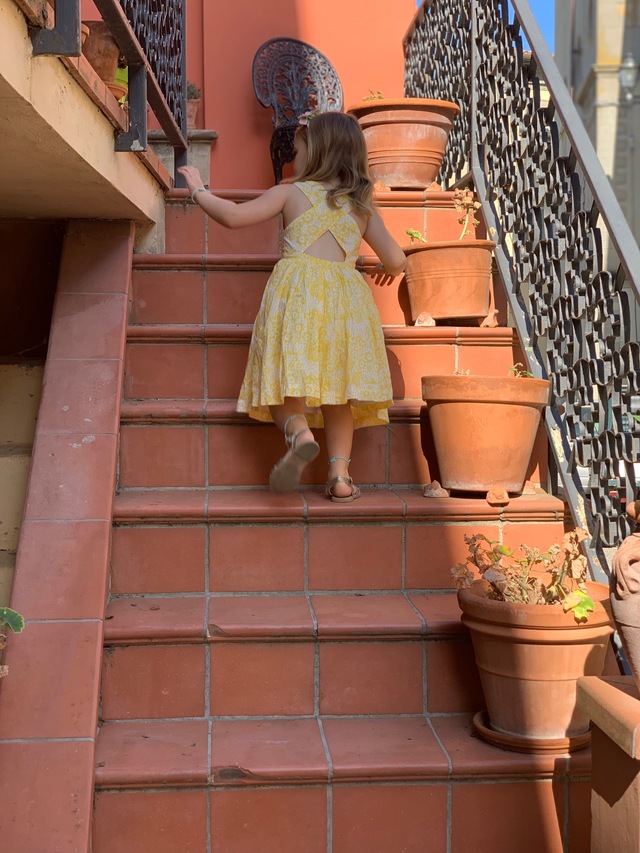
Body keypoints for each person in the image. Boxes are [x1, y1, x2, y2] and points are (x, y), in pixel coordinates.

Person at [178, 110, 406, 502]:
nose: (293, 156)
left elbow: (234, 217)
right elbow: (398, 259)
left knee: (284, 388)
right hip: (345, 306)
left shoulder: (290, 192)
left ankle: (299, 434)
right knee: (339, 394)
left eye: (297, 148)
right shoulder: (361, 206)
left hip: (297, 299)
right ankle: (339, 475)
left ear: (314, 151)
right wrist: (386, 268)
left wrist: (199, 190)